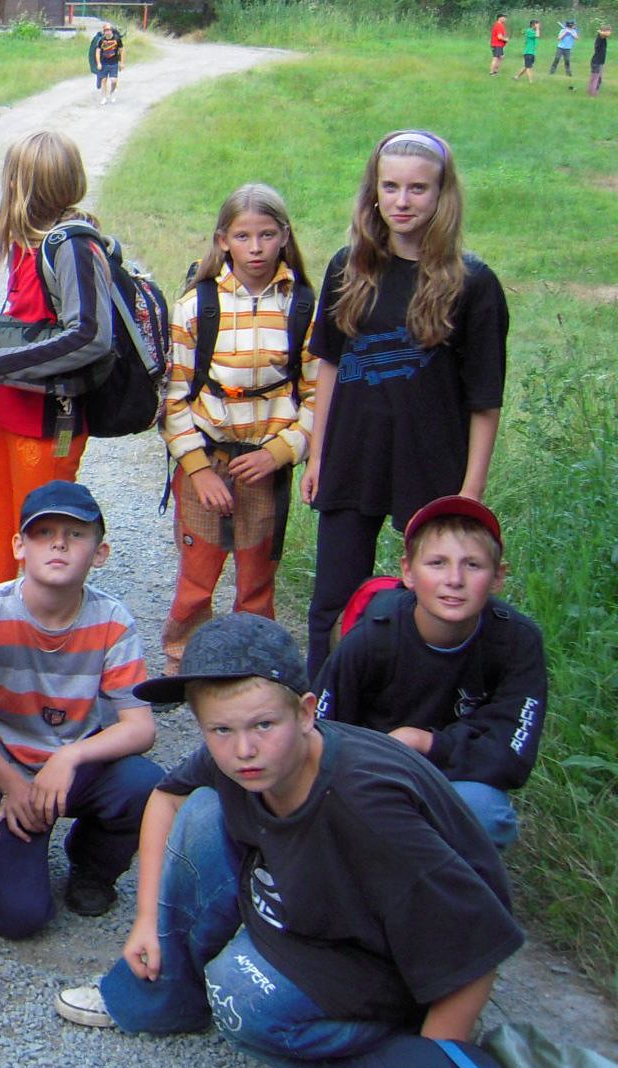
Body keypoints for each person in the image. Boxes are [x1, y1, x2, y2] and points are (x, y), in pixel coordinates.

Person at [55, 614, 524, 1068]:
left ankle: (389, 1059)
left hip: (378, 959)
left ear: (305, 713)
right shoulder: (245, 752)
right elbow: (167, 798)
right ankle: (167, 995)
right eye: (220, 730)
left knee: (240, 996)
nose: (244, 749)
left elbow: (478, 948)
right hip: (313, 915)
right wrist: (147, 920)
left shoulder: (370, 810)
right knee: (202, 811)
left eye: (264, 724)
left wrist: (431, 1065)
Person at [300, 130, 507, 676]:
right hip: (353, 455)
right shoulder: (348, 267)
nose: (402, 201)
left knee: (432, 603)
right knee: (332, 602)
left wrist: (470, 493)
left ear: (442, 195)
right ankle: (324, 705)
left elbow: (485, 401)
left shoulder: (473, 283)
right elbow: (329, 364)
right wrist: (318, 454)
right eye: (390, 187)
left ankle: (416, 704)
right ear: (373, 191)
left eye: (418, 189)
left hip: (432, 462)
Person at [0, 481, 158, 939]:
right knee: (19, 917)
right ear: (19, 547)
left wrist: (70, 756)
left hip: (74, 765)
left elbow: (141, 727)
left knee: (145, 784)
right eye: (43, 533)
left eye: (75, 534)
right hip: (5, 764)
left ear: (100, 553)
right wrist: (11, 782)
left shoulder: (113, 620)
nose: (59, 543)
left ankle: (92, 867)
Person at [314, 496, 543, 850]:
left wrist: (426, 743)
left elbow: (511, 758)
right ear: (408, 572)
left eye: (473, 565)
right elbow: (318, 732)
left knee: (487, 813)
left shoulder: (517, 641)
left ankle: (452, 876)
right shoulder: (372, 637)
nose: (454, 579)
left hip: (451, 776)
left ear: (498, 577)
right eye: (437, 563)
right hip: (367, 774)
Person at [161, 183, 318, 668]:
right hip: (206, 461)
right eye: (243, 236)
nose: (256, 248)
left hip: (266, 466)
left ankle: (254, 664)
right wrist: (198, 469)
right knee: (197, 575)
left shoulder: (301, 307)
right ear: (223, 240)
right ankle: (182, 659)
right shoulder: (196, 307)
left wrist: (281, 451)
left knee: (256, 578)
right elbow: (173, 397)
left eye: (267, 235)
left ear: (284, 236)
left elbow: (317, 394)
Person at [0, 131, 112, 590]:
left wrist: (1, 366)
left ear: (25, 185)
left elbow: (89, 335)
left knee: (41, 541)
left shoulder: (72, 246)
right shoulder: (28, 242)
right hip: (5, 414)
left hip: (49, 425)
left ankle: (41, 624)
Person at [89, 22, 124, 103]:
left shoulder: (117, 39)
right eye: (105, 30)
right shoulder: (101, 40)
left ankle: (112, 92)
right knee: (103, 80)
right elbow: (97, 52)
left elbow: (121, 51)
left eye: (108, 30)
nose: (107, 32)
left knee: (113, 81)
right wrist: (98, 63)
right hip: (104, 63)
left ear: (111, 30)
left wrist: (122, 62)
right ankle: (104, 98)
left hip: (114, 63)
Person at [590, 24, 610, 96]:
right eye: (608, 30)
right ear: (604, 31)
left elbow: (607, 35)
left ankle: (593, 92)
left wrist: (600, 31)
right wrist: (600, 31)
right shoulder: (600, 37)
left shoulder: (602, 37)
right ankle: (593, 94)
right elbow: (606, 34)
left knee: (598, 78)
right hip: (596, 62)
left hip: (600, 61)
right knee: (596, 78)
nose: (610, 32)